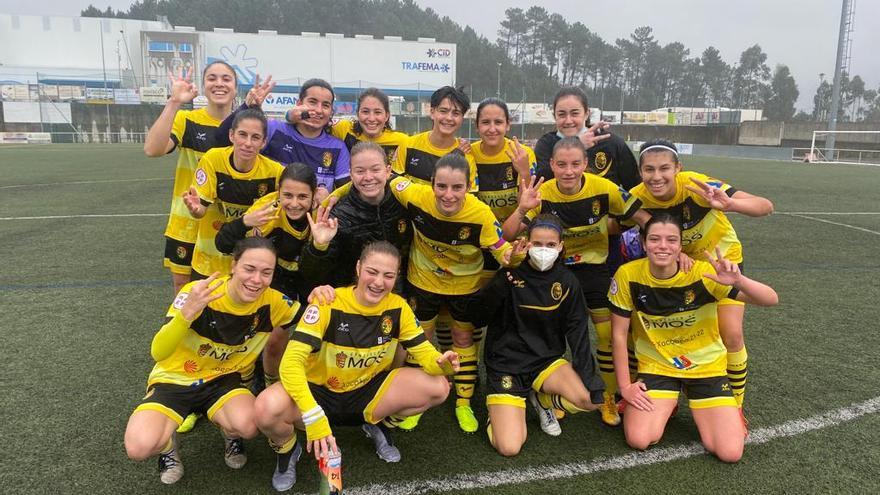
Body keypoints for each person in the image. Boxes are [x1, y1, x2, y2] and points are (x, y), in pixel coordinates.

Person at [253, 241, 460, 492]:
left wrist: (443, 365)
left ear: (396, 277)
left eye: (388, 275)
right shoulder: (327, 302)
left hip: (366, 391)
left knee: (438, 387)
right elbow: (290, 364)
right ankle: (287, 450)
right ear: (359, 268)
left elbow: (425, 354)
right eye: (372, 272)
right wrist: (312, 415)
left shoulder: (398, 307)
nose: (378, 282)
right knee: (265, 408)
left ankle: (379, 425)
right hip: (319, 392)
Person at [124, 238, 300, 484]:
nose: (256, 280)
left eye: (266, 272)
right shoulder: (198, 292)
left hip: (224, 380)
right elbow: (158, 352)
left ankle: (230, 433)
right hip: (175, 378)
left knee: (249, 426)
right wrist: (186, 314)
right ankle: (167, 448)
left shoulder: (275, 303)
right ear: (234, 265)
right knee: (139, 447)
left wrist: (323, 295)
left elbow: (319, 319)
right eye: (249, 269)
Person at [502, 136, 650, 427]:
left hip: (594, 271)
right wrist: (522, 208)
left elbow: (643, 217)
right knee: (554, 334)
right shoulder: (541, 192)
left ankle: (608, 395)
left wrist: (663, 246)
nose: (568, 171)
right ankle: (549, 391)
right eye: (561, 165)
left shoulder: (605, 189)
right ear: (552, 166)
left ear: (585, 164)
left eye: (575, 164)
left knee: (606, 336)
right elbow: (507, 234)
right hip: (553, 272)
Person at [609, 213, 778, 462]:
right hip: (659, 367)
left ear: (680, 246)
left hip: (706, 368)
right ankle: (669, 402)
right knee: (639, 439)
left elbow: (771, 299)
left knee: (730, 453)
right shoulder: (627, 275)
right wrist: (625, 387)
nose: (663, 246)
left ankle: (713, 403)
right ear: (644, 244)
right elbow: (619, 334)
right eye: (654, 239)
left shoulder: (704, 274)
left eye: (671, 240)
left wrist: (739, 280)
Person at [629, 139, 774, 408]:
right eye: (649, 170)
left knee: (730, 333)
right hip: (675, 268)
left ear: (678, 168)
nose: (656, 177)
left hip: (722, 266)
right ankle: (655, 393)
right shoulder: (636, 196)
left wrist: (731, 205)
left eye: (664, 169)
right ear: (640, 172)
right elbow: (624, 224)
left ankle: (735, 406)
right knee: (648, 329)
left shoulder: (696, 185)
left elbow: (765, 206)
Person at [388, 153, 525, 433]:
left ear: (469, 185)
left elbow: (502, 252)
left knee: (463, 338)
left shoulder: (480, 214)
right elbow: (387, 178)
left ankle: (463, 402)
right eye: (441, 187)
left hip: (465, 287)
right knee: (421, 340)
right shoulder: (414, 194)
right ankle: (418, 400)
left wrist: (516, 257)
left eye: (456, 187)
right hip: (422, 282)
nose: (448, 195)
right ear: (431, 183)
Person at [474, 214, 604, 456]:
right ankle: (503, 411)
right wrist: (504, 276)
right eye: (538, 244)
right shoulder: (511, 271)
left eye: (551, 245)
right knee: (510, 447)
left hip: (545, 362)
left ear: (561, 246)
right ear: (526, 243)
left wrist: (590, 378)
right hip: (507, 365)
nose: (544, 250)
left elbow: (578, 334)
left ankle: (544, 400)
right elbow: (478, 317)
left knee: (592, 399)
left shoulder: (567, 282)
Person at [144, 61, 237, 296]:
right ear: (204, 85)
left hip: (223, 225)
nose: (219, 83)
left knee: (225, 288)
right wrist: (174, 101)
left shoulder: (242, 127)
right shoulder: (187, 120)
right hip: (186, 222)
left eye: (226, 79)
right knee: (184, 289)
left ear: (235, 88)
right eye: (212, 78)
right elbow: (153, 149)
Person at [183, 109, 285, 280]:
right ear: (231, 135)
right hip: (209, 261)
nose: (248, 143)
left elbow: (293, 191)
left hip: (248, 267)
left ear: (263, 142)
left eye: (255, 137)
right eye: (242, 135)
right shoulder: (213, 159)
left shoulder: (274, 172)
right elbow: (200, 210)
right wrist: (195, 209)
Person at [219, 77, 351, 203]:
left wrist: (330, 197)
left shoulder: (337, 148)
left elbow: (346, 194)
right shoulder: (273, 129)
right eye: (312, 102)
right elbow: (221, 138)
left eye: (326, 105)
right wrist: (246, 106)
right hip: (268, 219)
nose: (318, 110)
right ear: (299, 104)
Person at [299, 141, 411, 288]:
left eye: (375, 170)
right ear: (351, 174)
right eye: (360, 171)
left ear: (388, 171)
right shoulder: (338, 216)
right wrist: (318, 247)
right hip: (353, 297)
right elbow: (311, 276)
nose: (368, 177)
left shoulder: (404, 204)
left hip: (396, 294)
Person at [215, 162, 318, 305]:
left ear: (315, 194)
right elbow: (222, 244)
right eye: (287, 195)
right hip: (277, 274)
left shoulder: (324, 211)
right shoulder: (266, 210)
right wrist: (244, 222)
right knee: (276, 322)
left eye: (302, 197)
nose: (294, 204)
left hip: (312, 273)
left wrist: (321, 245)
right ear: (278, 191)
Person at [533, 86, 639, 190]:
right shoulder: (545, 145)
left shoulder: (610, 142)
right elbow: (540, 183)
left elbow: (635, 186)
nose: (568, 120)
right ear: (554, 116)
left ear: (587, 113)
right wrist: (578, 144)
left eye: (575, 113)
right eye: (562, 114)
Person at [392, 85, 476, 188]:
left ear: (462, 118)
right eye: (443, 111)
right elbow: (394, 186)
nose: (449, 118)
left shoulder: (467, 155)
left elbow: (468, 198)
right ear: (432, 112)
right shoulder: (408, 146)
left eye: (456, 113)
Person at [325, 87, 409, 164]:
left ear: (386, 116)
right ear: (357, 114)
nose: (371, 119)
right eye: (365, 112)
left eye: (377, 112)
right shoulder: (343, 129)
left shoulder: (402, 141)